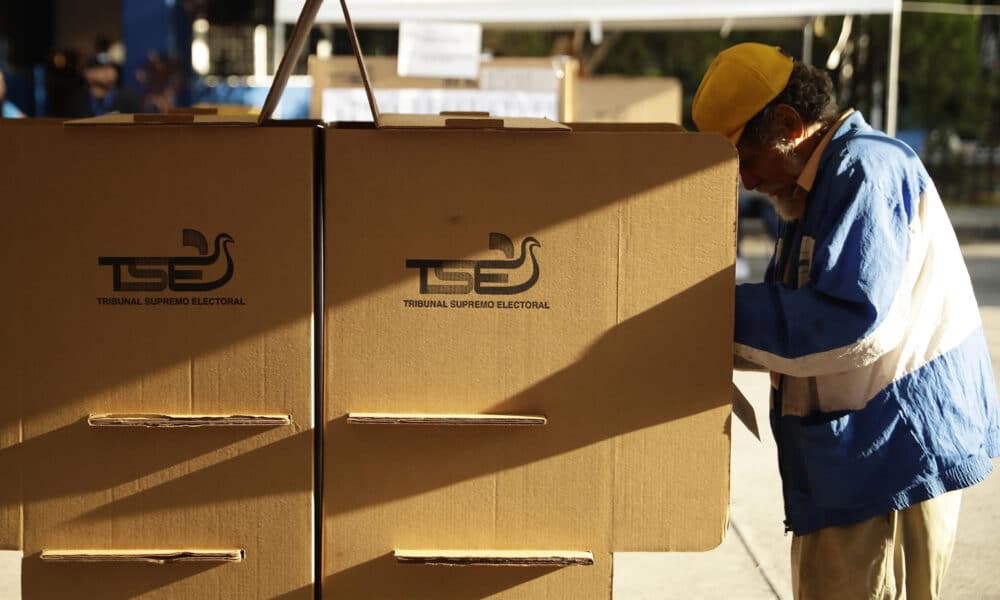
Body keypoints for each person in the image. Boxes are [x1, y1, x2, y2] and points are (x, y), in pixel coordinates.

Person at [692, 43, 999, 599]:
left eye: (743, 157)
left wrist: (707, 314)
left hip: (897, 447)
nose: (743, 180)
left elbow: (851, 322)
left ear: (788, 124)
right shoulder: (811, 184)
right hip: (863, 447)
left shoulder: (865, 173)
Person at [66, 52, 141, 118]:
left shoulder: (128, 100)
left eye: (110, 67)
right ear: (87, 73)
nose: (107, 72)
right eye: (100, 68)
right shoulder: (75, 102)